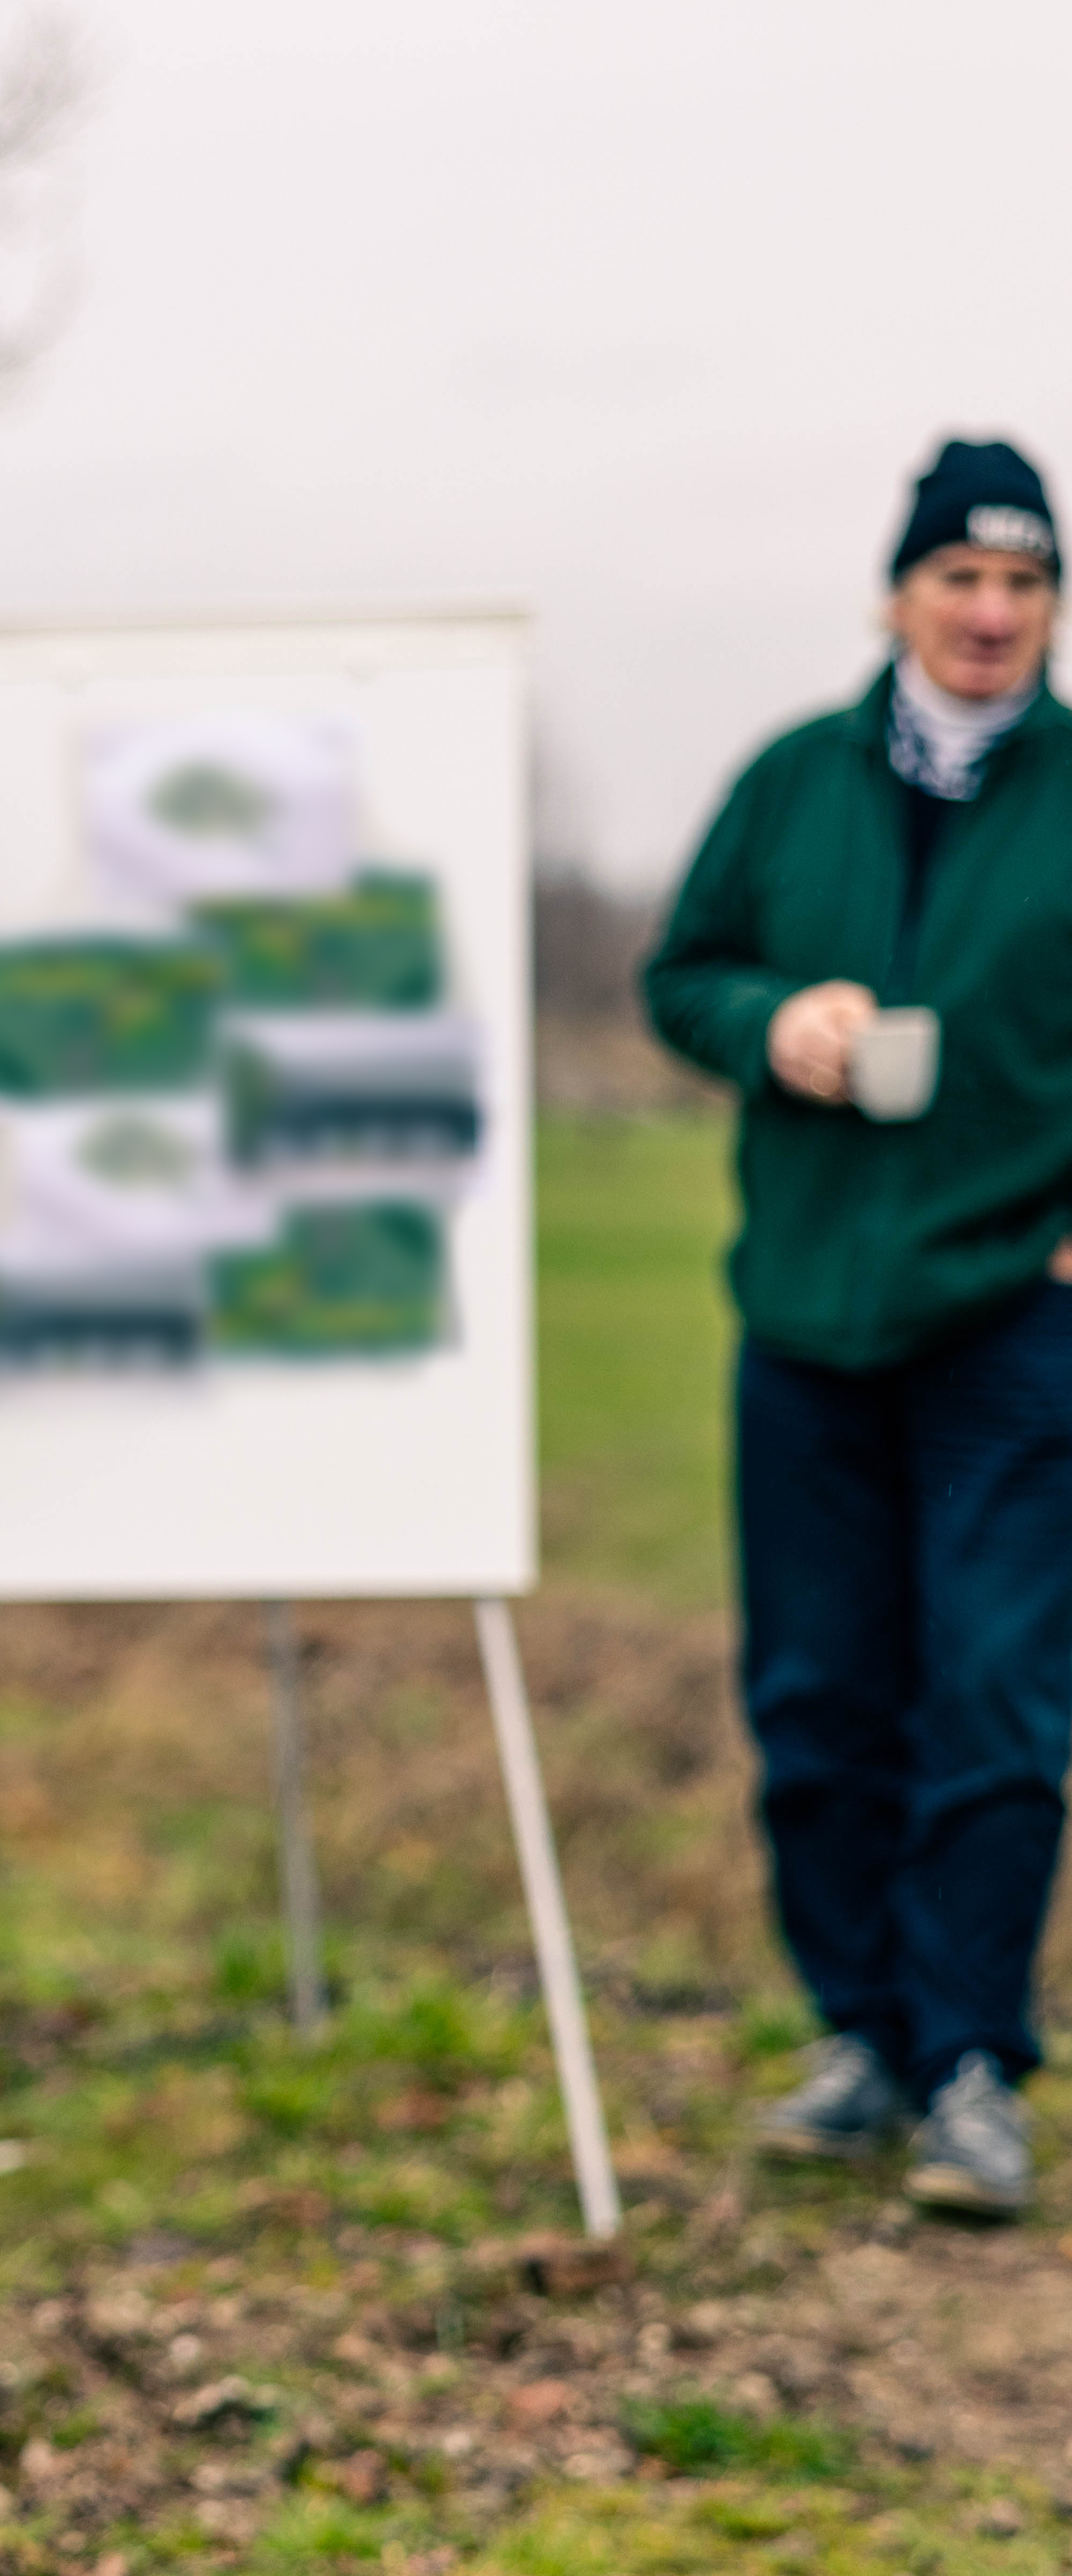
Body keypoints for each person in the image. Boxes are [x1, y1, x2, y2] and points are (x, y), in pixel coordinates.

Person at [645, 435, 1072, 2220]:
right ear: (894, 596)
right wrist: (771, 1027)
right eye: (957, 579)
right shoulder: (789, 782)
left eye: (1023, 582)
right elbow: (680, 973)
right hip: (805, 1315)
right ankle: (862, 2035)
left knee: (990, 1687)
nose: (988, 613)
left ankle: (970, 2058)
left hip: (1005, 1316)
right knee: (817, 1693)